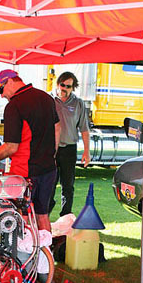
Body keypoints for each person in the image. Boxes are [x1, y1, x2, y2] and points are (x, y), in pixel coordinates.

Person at [0, 69, 61, 231]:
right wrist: (51, 154)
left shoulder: (14, 106)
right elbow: (58, 128)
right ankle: (46, 247)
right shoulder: (46, 98)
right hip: (48, 168)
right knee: (42, 215)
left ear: (10, 81)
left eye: (1, 90)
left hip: (24, 172)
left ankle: (24, 248)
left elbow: (11, 146)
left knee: (21, 216)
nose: (2, 96)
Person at [49, 71, 90, 216]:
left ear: (73, 88)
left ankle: (66, 216)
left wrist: (87, 151)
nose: (64, 89)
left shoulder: (78, 103)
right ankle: (44, 217)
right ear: (57, 84)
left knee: (68, 186)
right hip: (51, 149)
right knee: (49, 185)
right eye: (62, 85)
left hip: (69, 149)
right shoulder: (49, 100)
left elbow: (84, 129)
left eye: (68, 86)